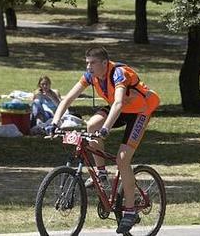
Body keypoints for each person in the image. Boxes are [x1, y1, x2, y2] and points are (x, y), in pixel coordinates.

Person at [46, 47, 160, 234]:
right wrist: (55, 122)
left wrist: (106, 128)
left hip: (139, 112)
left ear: (104, 63)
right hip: (120, 110)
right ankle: (101, 173)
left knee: (122, 159)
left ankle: (130, 211)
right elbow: (67, 99)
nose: (88, 67)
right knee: (91, 126)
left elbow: (118, 103)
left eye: (92, 63)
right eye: (87, 63)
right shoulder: (90, 76)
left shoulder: (119, 74)